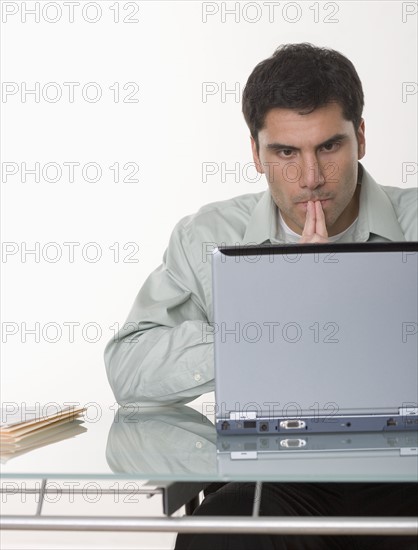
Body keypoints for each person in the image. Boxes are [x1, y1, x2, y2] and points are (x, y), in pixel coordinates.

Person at [104, 44, 417, 549]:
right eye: (285, 152)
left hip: (407, 475)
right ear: (255, 152)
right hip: (276, 476)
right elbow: (128, 369)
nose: (310, 177)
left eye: (330, 147)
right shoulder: (206, 234)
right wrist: (274, 317)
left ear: (360, 137)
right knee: (217, 535)